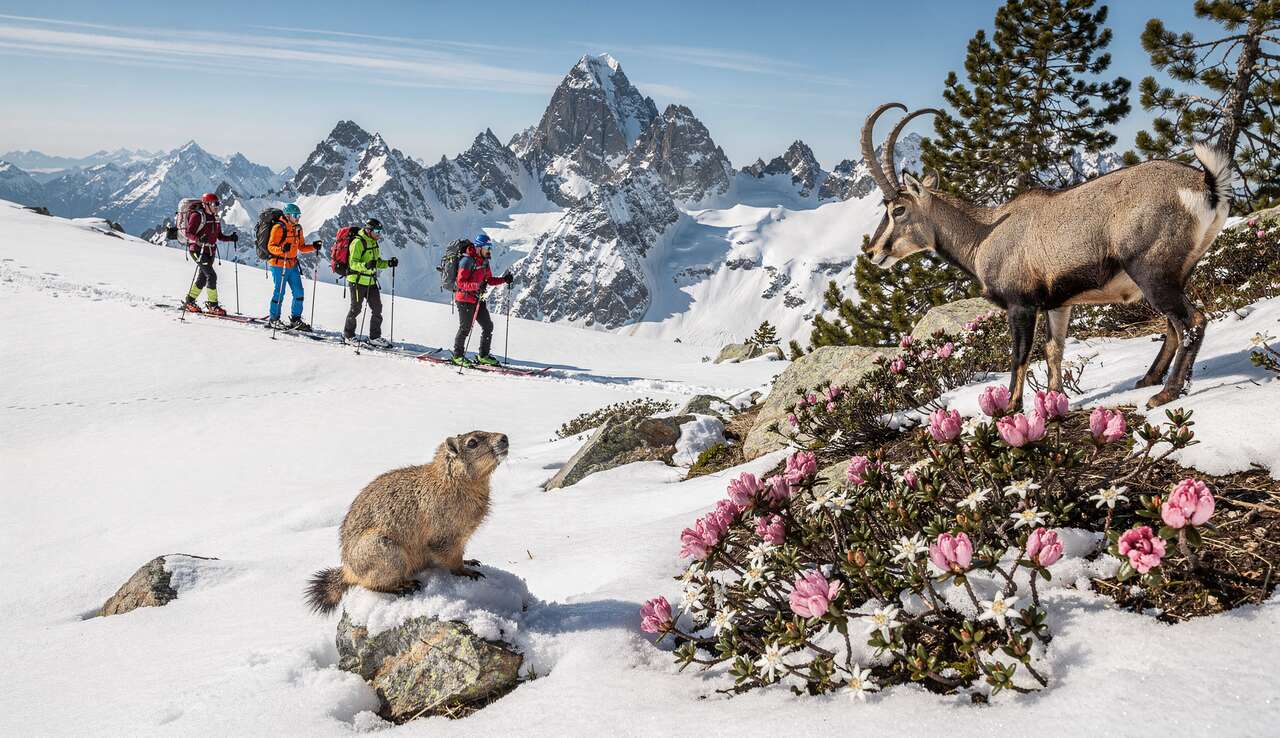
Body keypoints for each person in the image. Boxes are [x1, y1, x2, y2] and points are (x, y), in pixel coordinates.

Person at [452, 233, 512, 367]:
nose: (489, 250)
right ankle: (457, 356)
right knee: (465, 328)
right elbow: (460, 283)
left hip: (478, 298)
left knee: (488, 326)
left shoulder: (484, 262)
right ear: (479, 247)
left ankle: (483, 355)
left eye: (490, 248)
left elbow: (489, 280)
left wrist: (504, 279)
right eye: (487, 248)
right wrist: (476, 286)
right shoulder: (467, 261)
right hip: (465, 299)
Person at [265, 202, 321, 331]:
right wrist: (282, 249)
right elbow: (270, 247)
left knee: (299, 292)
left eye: (299, 215)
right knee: (279, 292)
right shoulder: (278, 228)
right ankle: (274, 319)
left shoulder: (298, 228)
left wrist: (313, 246)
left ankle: (296, 319)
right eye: (295, 215)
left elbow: (301, 247)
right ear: (288, 215)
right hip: (279, 264)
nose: (298, 218)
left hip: (292, 264)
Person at [343, 218, 398, 347]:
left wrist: (388, 263)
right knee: (356, 309)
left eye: (380, 231)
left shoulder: (374, 243)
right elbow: (353, 264)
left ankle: (374, 337)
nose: (379, 234)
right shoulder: (358, 243)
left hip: (370, 280)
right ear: (369, 230)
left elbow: (377, 262)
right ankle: (348, 335)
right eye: (377, 231)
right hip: (357, 280)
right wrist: (365, 265)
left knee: (377, 308)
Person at [182, 192, 238, 316]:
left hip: (210, 251)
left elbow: (219, 236)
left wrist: (230, 238)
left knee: (202, 278)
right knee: (212, 276)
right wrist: (198, 239)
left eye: (217, 204)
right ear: (206, 204)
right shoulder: (197, 216)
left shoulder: (215, 217)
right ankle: (213, 305)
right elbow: (188, 233)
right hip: (197, 250)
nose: (216, 206)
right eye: (214, 204)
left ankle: (189, 301)